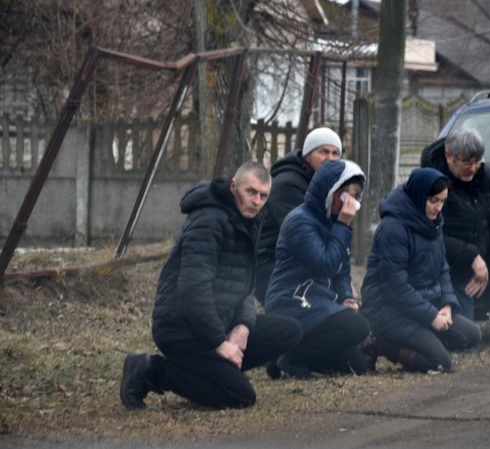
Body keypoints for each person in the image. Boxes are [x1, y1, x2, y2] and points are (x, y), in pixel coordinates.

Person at [119, 162, 302, 410]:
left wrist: (243, 326)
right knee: (241, 396)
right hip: (181, 328)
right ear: (234, 186)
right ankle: (152, 370)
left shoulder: (250, 220)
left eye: (263, 195)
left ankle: (212, 372)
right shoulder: (208, 220)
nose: (257, 201)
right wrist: (219, 343)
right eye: (251, 192)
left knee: (289, 329)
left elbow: (245, 285)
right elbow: (194, 289)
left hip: (218, 319)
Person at [361, 167, 482, 374]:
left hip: (424, 304)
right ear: (418, 195)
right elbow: (395, 286)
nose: (438, 208)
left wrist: (446, 304)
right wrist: (430, 317)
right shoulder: (393, 228)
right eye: (433, 200)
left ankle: (423, 338)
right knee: (440, 363)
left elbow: (443, 268)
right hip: (388, 309)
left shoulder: (433, 223)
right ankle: (379, 342)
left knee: (472, 335)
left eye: (442, 201)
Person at [263, 159, 371, 379]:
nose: (349, 202)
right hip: (293, 301)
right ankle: (292, 357)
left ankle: (282, 352)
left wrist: (347, 298)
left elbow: (341, 269)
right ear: (329, 191)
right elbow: (325, 265)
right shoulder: (300, 222)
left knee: (355, 365)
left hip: (321, 301)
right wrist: (343, 225)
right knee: (357, 327)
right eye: (344, 195)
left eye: (355, 196)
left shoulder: (335, 221)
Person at [420, 128, 490, 320]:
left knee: (465, 336)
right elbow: (427, 232)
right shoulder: (430, 182)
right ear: (449, 156)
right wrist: (472, 256)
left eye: (477, 162)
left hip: (471, 273)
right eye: (467, 162)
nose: (473, 168)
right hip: (438, 271)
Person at [255, 127, 343, 299]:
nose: (330, 159)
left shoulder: (327, 185)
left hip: (301, 264)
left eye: (335, 153)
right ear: (308, 155)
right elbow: (309, 239)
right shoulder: (288, 184)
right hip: (270, 266)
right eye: (324, 151)